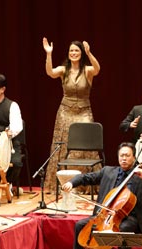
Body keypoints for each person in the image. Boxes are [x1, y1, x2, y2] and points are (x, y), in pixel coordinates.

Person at [42, 37, 101, 194]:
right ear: (68, 54)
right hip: (65, 111)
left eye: (77, 50)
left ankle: (86, 183)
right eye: (71, 51)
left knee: (86, 146)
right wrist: (49, 54)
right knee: (63, 146)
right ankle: (62, 184)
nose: (74, 53)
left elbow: (97, 69)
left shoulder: (87, 70)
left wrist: (89, 53)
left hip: (84, 110)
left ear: (81, 53)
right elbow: (50, 72)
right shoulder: (63, 70)